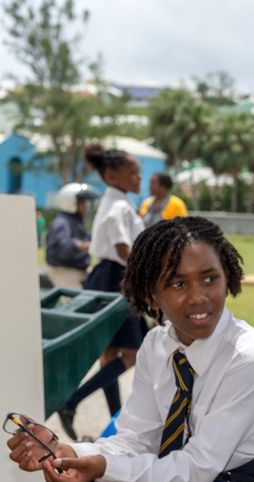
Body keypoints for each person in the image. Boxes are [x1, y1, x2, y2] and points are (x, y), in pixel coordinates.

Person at [8, 216, 254, 482]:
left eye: (210, 279)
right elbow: (137, 439)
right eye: (178, 284)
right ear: (151, 296)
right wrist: (70, 453)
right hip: (194, 476)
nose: (198, 296)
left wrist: (104, 468)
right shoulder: (157, 345)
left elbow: (198, 466)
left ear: (227, 278)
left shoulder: (248, 357)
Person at [56, 144, 147, 441]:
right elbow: (123, 248)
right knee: (132, 353)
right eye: (132, 172)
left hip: (104, 276)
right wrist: (147, 276)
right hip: (117, 277)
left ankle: (116, 425)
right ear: (111, 176)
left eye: (139, 172)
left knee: (110, 355)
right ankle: (72, 401)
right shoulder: (119, 206)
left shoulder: (115, 201)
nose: (139, 177)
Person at [45, 183, 98, 289]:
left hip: (76, 271)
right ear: (71, 202)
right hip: (65, 272)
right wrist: (77, 245)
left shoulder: (74, 221)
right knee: (75, 299)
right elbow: (60, 248)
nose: (85, 206)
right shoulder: (62, 222)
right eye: (82, 202)